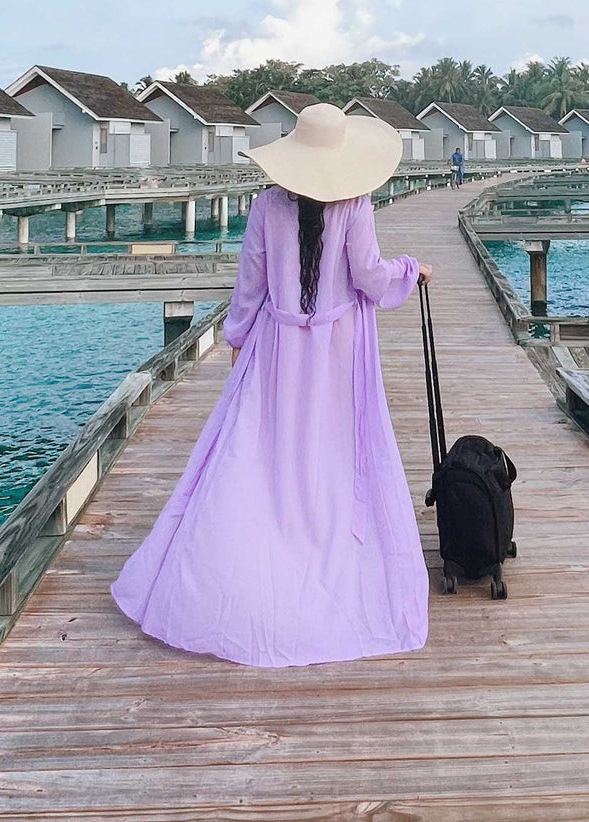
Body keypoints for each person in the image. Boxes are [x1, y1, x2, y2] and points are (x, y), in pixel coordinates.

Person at [112, 103, 434, 668]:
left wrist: (237, 339)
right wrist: (411, 269)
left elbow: (250, 286)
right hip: (334, 351)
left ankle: (252, 561)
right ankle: (322, 553)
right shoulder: (354, 204)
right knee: (333, 450)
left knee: (262, 453)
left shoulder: (267, 205)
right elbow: (368, 277)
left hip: (278, 348)